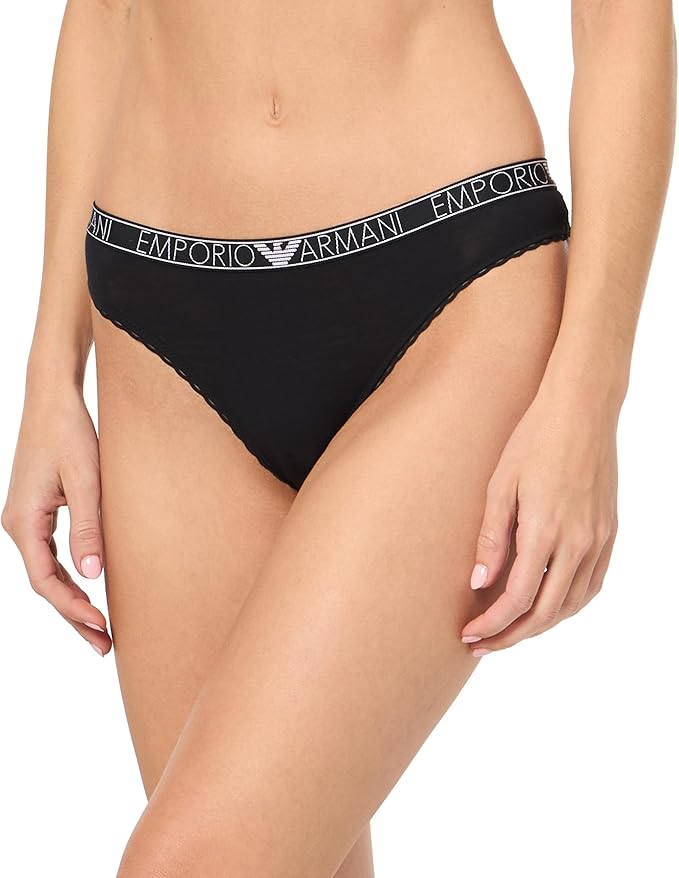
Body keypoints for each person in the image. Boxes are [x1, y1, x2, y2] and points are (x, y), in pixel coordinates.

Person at [2, 2, 676, 876]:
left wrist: (589, 397)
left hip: (447, 289)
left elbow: (619, 20)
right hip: (156, 331)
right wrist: (50, 372)